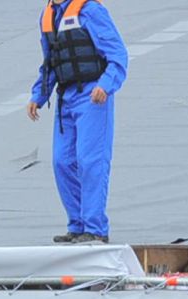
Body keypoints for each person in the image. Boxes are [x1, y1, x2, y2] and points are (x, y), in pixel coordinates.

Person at [28, 0, 127, 245]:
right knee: (62, 161)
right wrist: (39, 95)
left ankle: (95, 229)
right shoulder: (49, 15)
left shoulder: (90, 11)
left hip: (92, 96)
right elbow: (51, 62)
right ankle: (77, 225)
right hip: (66, 98)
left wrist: (106, 84)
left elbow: (117, 54)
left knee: (90, 161)